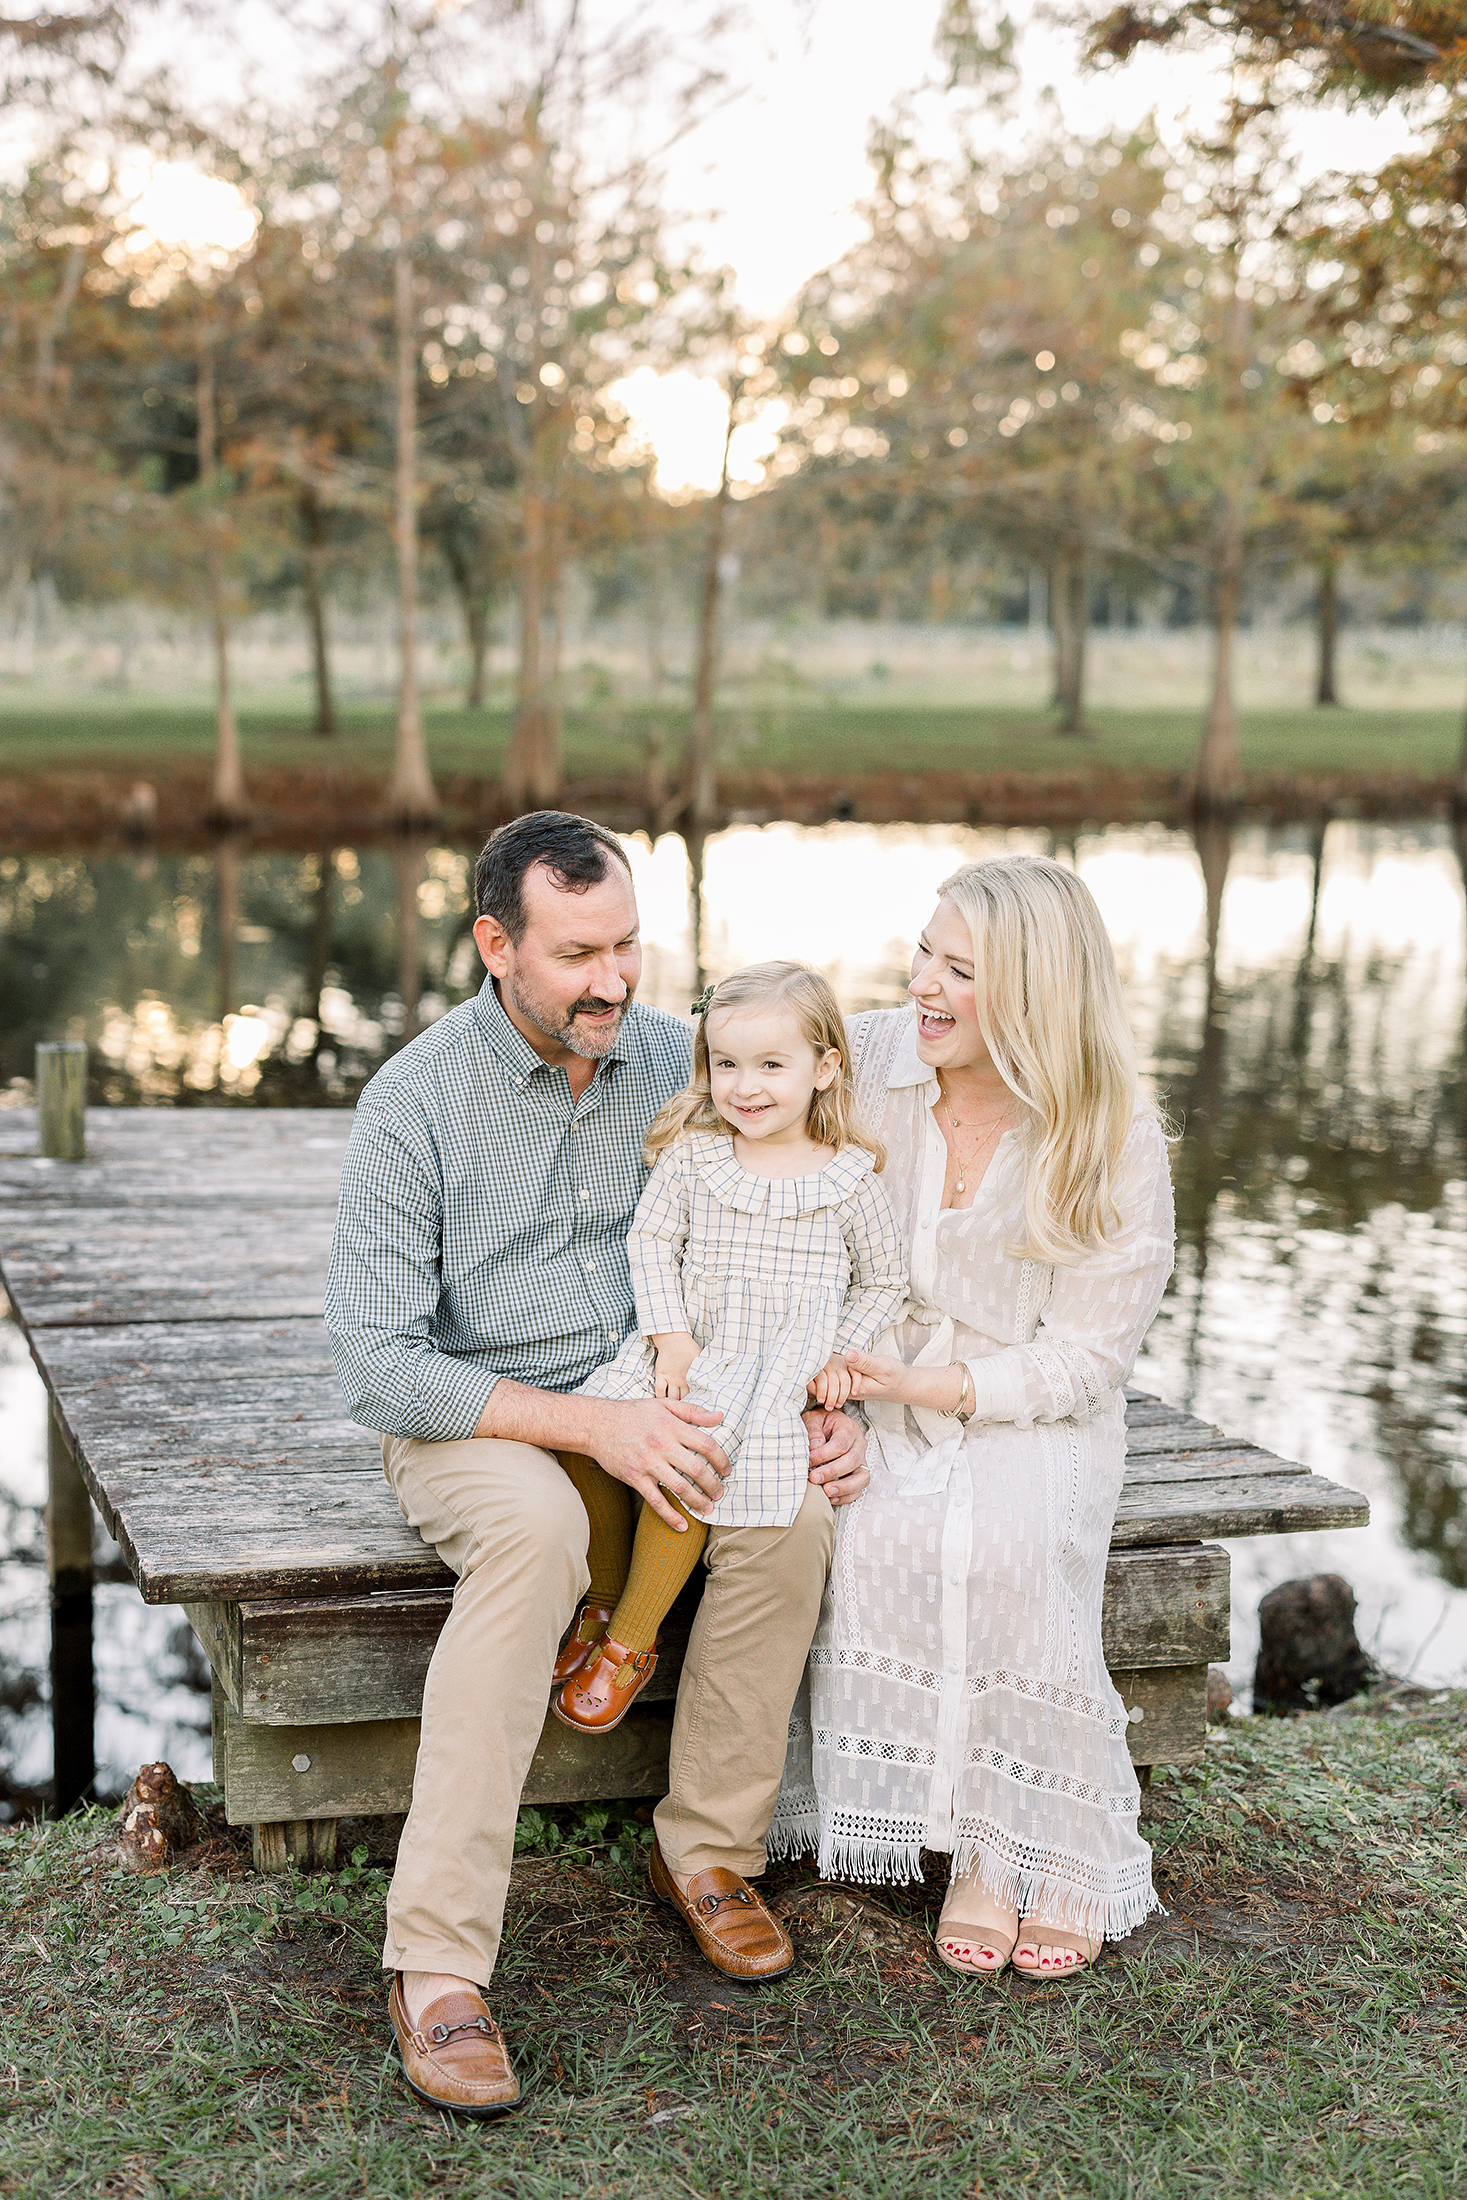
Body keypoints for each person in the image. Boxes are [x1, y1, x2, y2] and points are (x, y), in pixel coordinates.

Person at [324, 812, 868, 2119]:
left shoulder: (679, 1064)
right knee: (533, 1535)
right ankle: (439, 1963)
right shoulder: (413, 1101)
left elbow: (796, 1219)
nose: (614, 982)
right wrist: (589, 1429)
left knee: (784, 1512)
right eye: (578, 955)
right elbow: (376, 1364)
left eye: (628, 945)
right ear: (494, 944)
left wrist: (826, 1395)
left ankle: (707, 1854)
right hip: (484, 1419)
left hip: (656, 1385)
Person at [771, 854, 1176, 1981]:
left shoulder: (1109, 1126)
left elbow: (1089, 1356)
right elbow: (782, 1234)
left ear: (1040, 995)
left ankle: (1016, 1851)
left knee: (1005, 1543)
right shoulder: (861, 1065)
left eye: (962, 971)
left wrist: (937, 1391)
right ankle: (943, 1829)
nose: (925, 988)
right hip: (869, 1378)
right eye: (924, 954)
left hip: (1031, 1405)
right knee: (877, 1529)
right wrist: (829, 1396)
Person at [552, 962, 907, 1736]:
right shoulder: (696, 1157)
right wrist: (669, 1337)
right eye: (726, 1064)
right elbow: (650, 1242)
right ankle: (605, 1591)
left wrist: (837, 1356)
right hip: (687, 1351)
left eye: (771, 1065)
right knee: (585, 1437)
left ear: (825, 1068)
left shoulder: (849, 1182)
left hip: (769, 1375)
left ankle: (628, 1644)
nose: (744, 1086)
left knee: (690, 1466)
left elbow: (884, 1282)